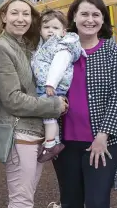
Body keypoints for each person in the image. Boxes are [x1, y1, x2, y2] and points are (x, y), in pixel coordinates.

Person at [0, 0, 69, 208]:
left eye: (26, 14)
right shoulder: (1, 48)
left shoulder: (28, 46)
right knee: (21, 203)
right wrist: (53, 106)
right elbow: (12, 99)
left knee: (25, 199)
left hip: (34, 131)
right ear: (4, 16)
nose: (21, 19)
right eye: (14, 13)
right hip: (18, 131)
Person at [52, 0, 117, 208]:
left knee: (97, 207)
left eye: (96, 14)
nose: (90, 19)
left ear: (103, 19)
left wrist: (103, 135)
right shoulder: (61, 50)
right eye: (84, 14)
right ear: (74, 17)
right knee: (71, 206)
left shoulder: (112, 50)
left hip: (101, 141)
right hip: (65, 142)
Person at [32, 18, 84, 162]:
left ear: (63, 31)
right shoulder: (44, 46)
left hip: (53, 87)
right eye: (46, 27)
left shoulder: (62, 47)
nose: (50, 30)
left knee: (48, 111)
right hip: (46, 86)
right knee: (49, 113)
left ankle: (50, 143)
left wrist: (51, 84)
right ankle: (54, 140)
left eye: (55, 27)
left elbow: (58, 66)